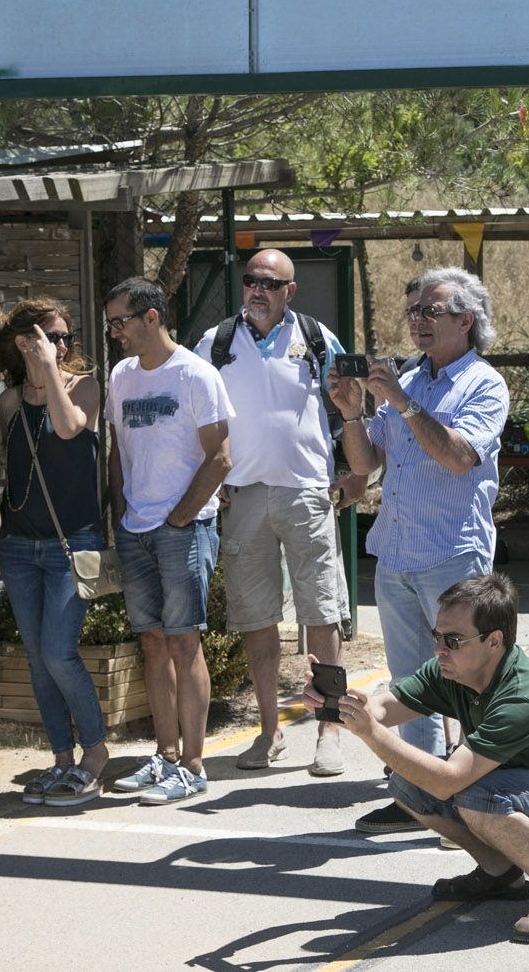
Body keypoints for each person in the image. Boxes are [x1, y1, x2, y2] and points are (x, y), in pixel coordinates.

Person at [305, 574, 529, 944]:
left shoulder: (524, 697)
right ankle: (500, 874)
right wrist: (338, 705)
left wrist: (369, 731)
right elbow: (382, 709)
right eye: (437, 636)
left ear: (494, 641)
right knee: (407, 782)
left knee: (474, 793)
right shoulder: (452, 670)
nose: (440, 648)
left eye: (453, 640)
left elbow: (448, 779)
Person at [330, 267, 509, 833]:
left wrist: (400, 399)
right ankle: (418, 795)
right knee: (414, 680)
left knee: (472, 676)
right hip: (397, 552)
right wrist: (352, 411)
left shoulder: (483, 383)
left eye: (429, 312)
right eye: (412, 312)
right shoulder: (408, 378)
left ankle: (481, 792)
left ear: (466, 319)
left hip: (453, 553)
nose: (416, 321)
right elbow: (364, 464)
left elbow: (457, 457)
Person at [195, 249, 350, 777]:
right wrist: (209, 481)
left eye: (269, 283)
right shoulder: (214, 344)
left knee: (321, 615)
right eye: (250, 281)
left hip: (305, 492)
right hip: (240, 496)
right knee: (257, 620)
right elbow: (197, 419)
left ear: (290, 290)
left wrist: (352, 469)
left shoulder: (316, 337)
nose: (257, 290)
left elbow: (349, 400)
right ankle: (269, 733)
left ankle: (329, 730)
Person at [103, 277, 233, 806]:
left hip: (183, 529)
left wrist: (181, 517)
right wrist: (120, 516)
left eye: (120, 322)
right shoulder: (120, 376)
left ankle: (195, 766)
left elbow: (221, 457)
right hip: (135, 529)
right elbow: (117, 453)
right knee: (152, 644)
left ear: (151, 318)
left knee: (184, 643)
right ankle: (166, 755)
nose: (114, 332)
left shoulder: (196, 375)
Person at [0, 299, 109, 806]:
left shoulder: (86, 387)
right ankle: (61, 759)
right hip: (18, 544)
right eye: (50, 338)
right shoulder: (11, 401)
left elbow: (65, 427)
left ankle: (95, 753)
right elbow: (19, 473)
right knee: (38, 659)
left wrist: (50, 371)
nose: (62, 347)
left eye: (65, 339)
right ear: (24, 343)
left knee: (59, 651)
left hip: (71, 543)